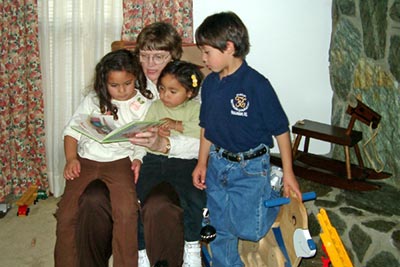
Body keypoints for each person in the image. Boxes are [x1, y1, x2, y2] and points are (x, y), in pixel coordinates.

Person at [74, 22, 201, 267]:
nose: (151, 63)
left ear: (173, 56)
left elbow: (205, 141)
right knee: (92, 199)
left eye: (159, 57)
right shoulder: (127, 81)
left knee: (158, 204)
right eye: (144, 56)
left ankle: (161, 258)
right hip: (120, 159)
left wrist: (164, 144)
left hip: (171, 162)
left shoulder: (189, 88)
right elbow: (90, 113)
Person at [191, 11, 302, 267]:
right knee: (221, 227)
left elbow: (281, 131)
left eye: (207, 52)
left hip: (250, 167)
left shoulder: (257, 85)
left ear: (229, 47)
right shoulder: (209, 85)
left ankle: (271, 189)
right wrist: (202, 162)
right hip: (219, 163)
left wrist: (289, 173)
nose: (203, 58)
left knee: (249, 229)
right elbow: (207, 127)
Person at [54, 49, 150, 267]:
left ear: (136, 77)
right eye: (114, 86)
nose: (122, 90)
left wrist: (138, 159)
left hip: (120, 162)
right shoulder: (93, 100)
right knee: (67, 215)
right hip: (86, 160)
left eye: (127, 83)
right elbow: (71, 131)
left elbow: (144, 139)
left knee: (126, 213)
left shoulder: (144, 104)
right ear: (103, 83)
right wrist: (71, 159)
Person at [136, 60, 206, 267]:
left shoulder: (196, 109)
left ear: (190, 93)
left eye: (173, 91)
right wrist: (156, 131)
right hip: (153, 159)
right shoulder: (155, 106)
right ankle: (141, 250)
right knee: (139, 197)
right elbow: (145, 129)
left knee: (193, 196)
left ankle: (192, 245)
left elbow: (202, 132)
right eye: (162, 88)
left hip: (184, 162)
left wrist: (177, 125)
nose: (165, 95)